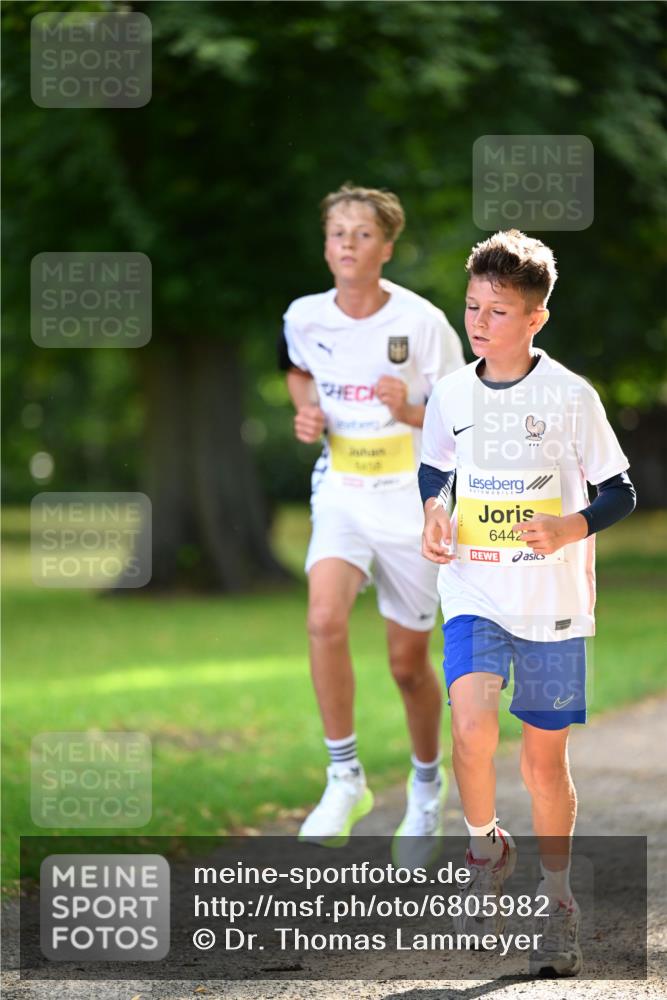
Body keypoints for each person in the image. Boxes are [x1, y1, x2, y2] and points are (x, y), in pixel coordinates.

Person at [419, 229, 635, 976]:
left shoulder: (571, 398)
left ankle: (556, 902)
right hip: (473, 587)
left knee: (544, 765)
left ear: (535, 317)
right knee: (471, 724)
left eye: (499, 310)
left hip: (551, 604)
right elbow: (434, 469)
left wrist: (571, 526)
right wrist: (434, 511)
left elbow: (620, 491)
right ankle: (484, 846)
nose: (480, 322)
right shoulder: (450, 392)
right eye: (473, 306)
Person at [279, 183, 465, 854]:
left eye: (362, 234)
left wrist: (412, 410)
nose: (348, 244)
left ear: (386, 247)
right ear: (325, 246)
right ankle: (343, 776)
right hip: (342, 490)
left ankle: (423, 789)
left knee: (407, 665)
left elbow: (463, 413)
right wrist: (307, 411)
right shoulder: (303, 316)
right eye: (337, 234)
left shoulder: (420, 322)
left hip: (410, 499)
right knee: (323, 618)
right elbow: (297, 371)